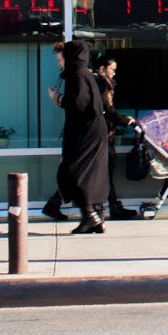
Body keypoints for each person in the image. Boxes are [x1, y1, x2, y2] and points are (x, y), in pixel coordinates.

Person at [53, 39, 110, 234]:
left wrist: (58, 99)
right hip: (92, 131)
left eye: (61, 60)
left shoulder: (76, 75)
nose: (59, 64)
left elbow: (79, 103)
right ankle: (95, 218)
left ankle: (90, 217)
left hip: (85, 133)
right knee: (92, 175)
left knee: (70, 173)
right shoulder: (84, 74)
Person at [93, 53, 139, 220]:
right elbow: (107, 110)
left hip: (106, 132)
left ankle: (111, 206)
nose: (114, 73)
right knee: (103, 171)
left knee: (105, 171)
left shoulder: (104, 85)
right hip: (102, 134)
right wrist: (126, 121)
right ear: (102, 69)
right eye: (112, 69)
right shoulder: (100, 85)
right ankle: (104, 208)